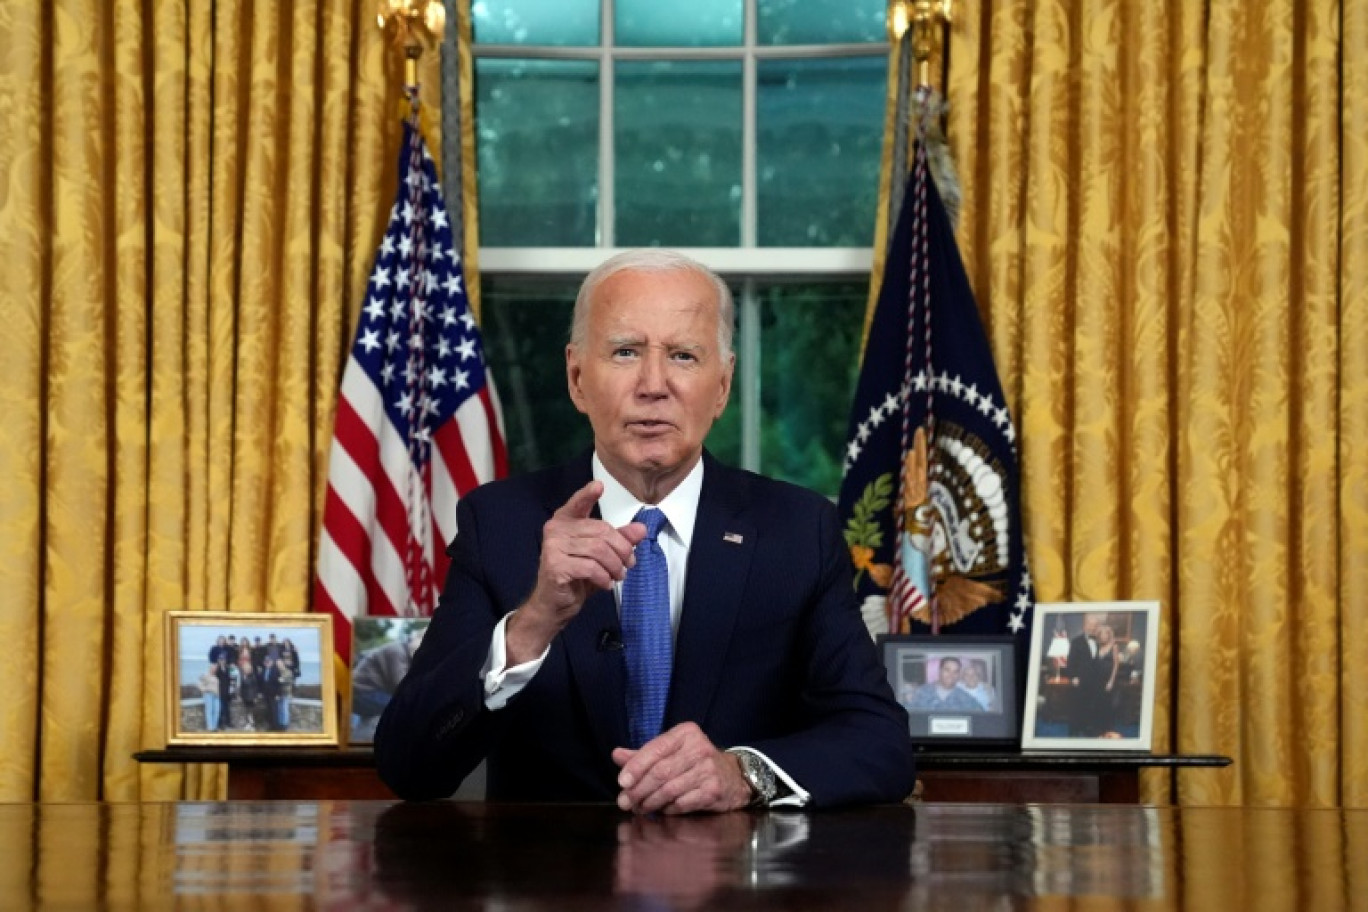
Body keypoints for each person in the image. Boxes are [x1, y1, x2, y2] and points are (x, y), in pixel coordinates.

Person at [375, 249, 915, 812]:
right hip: (550, 883)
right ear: (577, 378)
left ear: (723, 386)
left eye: (683, 356)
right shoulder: (500, 524)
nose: (653, 385)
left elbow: (880, 744)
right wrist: (533, 623)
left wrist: (743, 773)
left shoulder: (799, 531)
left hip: (730, 886)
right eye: (626, 352)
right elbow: (409, 766)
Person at [351, 627, 427, 742]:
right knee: (400, 708)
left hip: (373, 692)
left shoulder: (405, 651)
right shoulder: (396, 651)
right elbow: (401, 685)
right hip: (361, 693)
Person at [1066, 613, 1107, 736]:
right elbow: (1070, 662)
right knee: (1077, 707)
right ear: (1085, 626)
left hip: (1095, 682)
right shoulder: (1076, 641)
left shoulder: (1099, 642)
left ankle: (1088, 729)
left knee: (1092, 707)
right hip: (1080, 681)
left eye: (1095, 626)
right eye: (1090, 625)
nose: (1093, 628)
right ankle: (1074, 731)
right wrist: (1073, 678)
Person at [906, 657, 981, 712]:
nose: (951, 675)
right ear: (940, 671)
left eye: (955, 671)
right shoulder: (920, 692)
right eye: (947, 670)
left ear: (959, 675)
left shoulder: (966, 699)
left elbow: (983, 718)